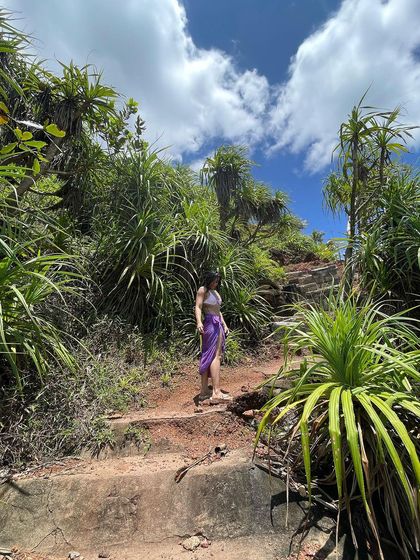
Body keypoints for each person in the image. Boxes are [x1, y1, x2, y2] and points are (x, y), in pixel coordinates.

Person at [195, 271, 231, 403]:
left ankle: (204, 391)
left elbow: (218, 311)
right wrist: (199, 322)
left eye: (217, 281)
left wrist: (224, 324)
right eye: (214, 281)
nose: (216, 283)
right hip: (210, 323)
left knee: (210, 355)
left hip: (217, 323)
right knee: (215, 356)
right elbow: (198, 307)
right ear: (209, 279)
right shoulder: (203, 290)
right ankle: (216, 391)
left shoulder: (215, 292)